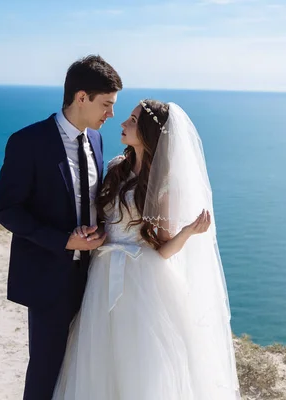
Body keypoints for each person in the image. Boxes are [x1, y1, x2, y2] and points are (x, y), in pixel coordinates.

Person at [53, 99, 241, 399]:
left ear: (149, 132)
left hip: (141, 282)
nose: (123, 124)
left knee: (139, 363)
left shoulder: (163, 185)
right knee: (100, 356)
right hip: (102, 274)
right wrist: (97, 232)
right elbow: (106, 219)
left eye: (132, 120)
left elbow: (163, 250)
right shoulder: (116, 167)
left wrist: (189, 232)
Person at [0, 55, 122, 400]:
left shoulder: (95, 140)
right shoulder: (27, 142)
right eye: (106, 104)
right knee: (47, 366)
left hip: (94, 277)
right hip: (49, 276)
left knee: (85, 362)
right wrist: (64, 241)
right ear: (82, 97)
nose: (111, 114)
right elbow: (7, 210)